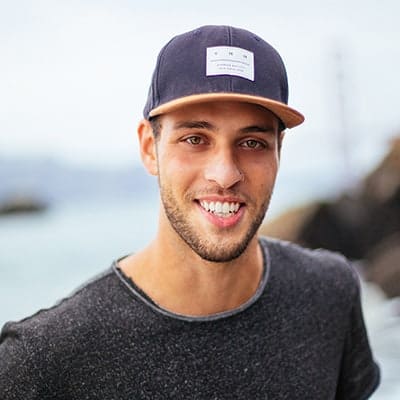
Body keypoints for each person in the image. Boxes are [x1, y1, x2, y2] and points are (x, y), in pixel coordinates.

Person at [0, 25, 380, 399]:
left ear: (279, 150)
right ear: (150, 148)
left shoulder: (330, 292)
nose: (226, 174)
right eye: (195, 139)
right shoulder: (41, 359)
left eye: (252, 142)